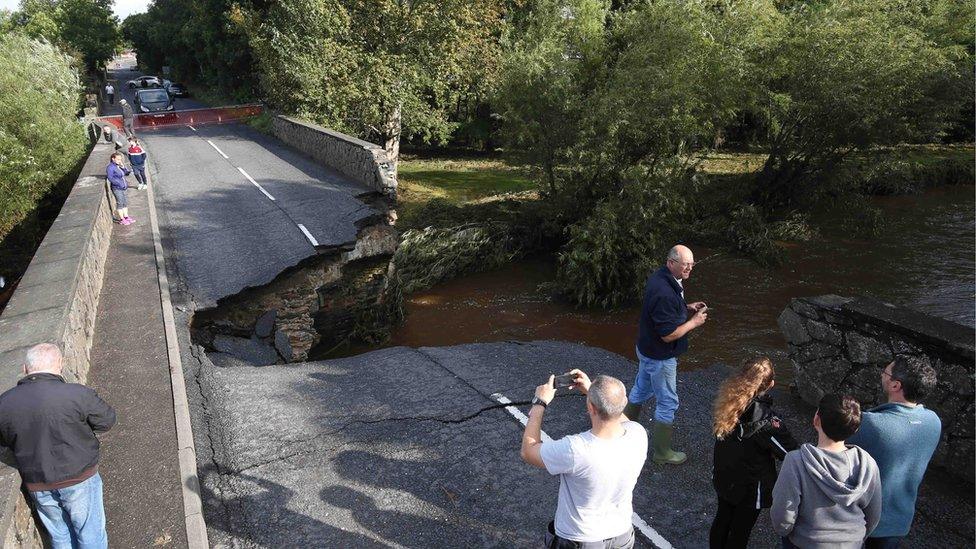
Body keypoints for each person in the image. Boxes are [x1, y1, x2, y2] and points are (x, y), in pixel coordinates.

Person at [0, 343, 116, 549]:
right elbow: (106, 421)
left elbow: (3, 446)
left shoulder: (5, 402)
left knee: (60, 536)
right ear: (60, 365)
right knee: (90, 534)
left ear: (25, 369)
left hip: (37, 482)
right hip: (79, 476)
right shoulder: (77, 394)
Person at [521, 370, 646, 549]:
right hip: (622, 534)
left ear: (591, 408)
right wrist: (591, 391)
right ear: (624, 403)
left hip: (581, 538)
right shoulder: (638, 434)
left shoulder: (576, 449)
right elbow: (620, 418)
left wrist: (539, 403)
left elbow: (528, 451)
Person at [623, 244, 708, 465]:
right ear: (671, 263)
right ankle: (662, 453)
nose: (690, 268)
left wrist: (685, 307)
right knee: (668, 402)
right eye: (685, 265)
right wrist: (694, 322)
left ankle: (619, 432)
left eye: (692, 264)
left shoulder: (661, 277)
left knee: (640, 389)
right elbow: (669, 335)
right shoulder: (664, 293)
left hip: (645, 349)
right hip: (660, 356)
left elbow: (664, 309)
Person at [848, 356, 941, 549]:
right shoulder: (933, 421)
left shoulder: (870, 424)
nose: (882, 374)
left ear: (895, 385)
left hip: (860, 518)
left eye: (886, 373)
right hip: (899, 519)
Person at [771, 394, 882, 549]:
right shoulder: (868, 464)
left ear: (816, 420)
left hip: (807, 542)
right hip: (852, 543)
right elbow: (873, 515)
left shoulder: (796, 461)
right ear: (855, 429)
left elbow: (782, 514)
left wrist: (786, 532)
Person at [710, 357, 798, 548]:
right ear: (771, 384)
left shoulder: (728, 402)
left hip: (724, 476)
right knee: (740, 531)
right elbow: (791, 453)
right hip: (750, 487)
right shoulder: (767, 421)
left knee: (722, 519)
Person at [107, 152, 134, 225]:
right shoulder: (110, 167)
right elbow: (110, 178)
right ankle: (122, 219)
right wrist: (119, 183)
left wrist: (123, 166)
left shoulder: (118, 166)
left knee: (125, 203)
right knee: (120, 203)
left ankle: (126, 217)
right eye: (118, 159)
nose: (120, 160)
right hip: (117, 188)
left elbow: (126, 173)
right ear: (113, 159)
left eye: (120, 159)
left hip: (123, 187)